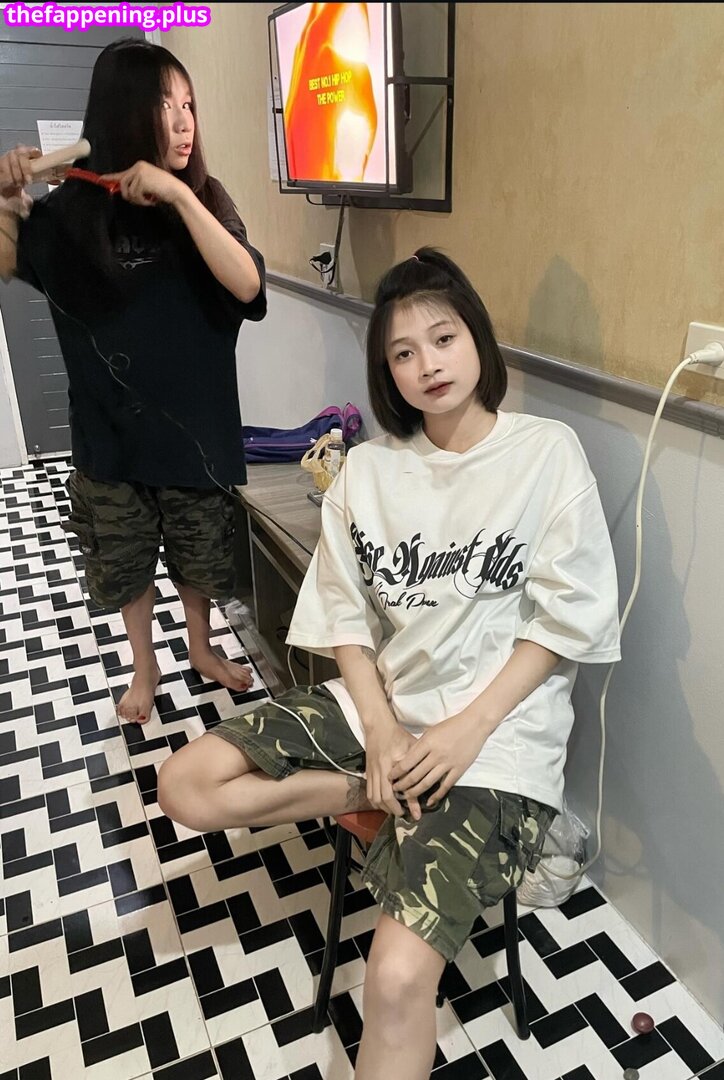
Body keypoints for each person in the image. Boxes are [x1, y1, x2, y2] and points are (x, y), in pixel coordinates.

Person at [157, 248, 621, 1080]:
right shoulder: (368, 470)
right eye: (403, 353)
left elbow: (569, 618)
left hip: (498, 739)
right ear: (386, 372)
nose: (427, 364)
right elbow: (344, 616)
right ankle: (379, 790)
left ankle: (403, 790)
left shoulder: (546, 454)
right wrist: (379, 731)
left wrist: (464, 731)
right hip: (387, 706)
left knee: (398, 979)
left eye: (444, 339)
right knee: (185, 785)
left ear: (477, 339)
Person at [0, 39, 266, 724]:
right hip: (109, 437)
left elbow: (247, 284)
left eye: (189, 106)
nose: (184, 123)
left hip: (193, 434)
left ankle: (201, 648)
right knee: (125, 562)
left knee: (198, 557)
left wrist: (178, 194)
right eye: (164, 105)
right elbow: (6, 260)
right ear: (124, 111)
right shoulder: (69, 214)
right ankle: (144, 668)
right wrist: (5, 199)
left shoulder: (204, 198)